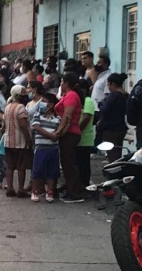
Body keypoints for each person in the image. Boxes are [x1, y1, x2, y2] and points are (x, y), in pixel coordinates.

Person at [54, 72, 84, 203]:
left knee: (69, 163)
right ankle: (71, 188)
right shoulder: (68, 95)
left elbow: (67, 116)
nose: (61, 84)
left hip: (70, 132)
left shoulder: (71, 96)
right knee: (67, 163)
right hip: (68, 132)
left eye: (62, 82)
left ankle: (75, 192)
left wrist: (58, 132)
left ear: (66, 83)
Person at [1, 85, 32, 197]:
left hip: (8, 141)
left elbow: (3, 126)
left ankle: (10, 188)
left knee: (10, 166)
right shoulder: (21, 108)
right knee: (21, 167)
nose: (25, 95)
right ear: (18, 95)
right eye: (23, 93)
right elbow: (23, 125)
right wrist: (28, 138)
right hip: (20, 142)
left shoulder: (7, 107)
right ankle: (21, 190)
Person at [30, 93, 62, 203]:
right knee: (37, 170)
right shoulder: (37, 115)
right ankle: (35, 191)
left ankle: (50, 192)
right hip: (40, 148)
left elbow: (60, 131)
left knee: (52, 172)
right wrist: (51, 136)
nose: (42, 103)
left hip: (53, 149)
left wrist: (55, 135)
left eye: (44, 101)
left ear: (51, 104)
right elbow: (37, 128)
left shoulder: (57, 118)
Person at [98, 73, 128, 162]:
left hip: (111, 128)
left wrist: (100, 104)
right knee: (118, 152)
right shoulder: (126, 95)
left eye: (108, 85)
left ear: (113, 84)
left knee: (112, 154)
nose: (108, 87)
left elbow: (104, 109)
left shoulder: (113, 95)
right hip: (121, 127)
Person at [75, 79, 95, 187]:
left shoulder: (88, 101)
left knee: (84, 165)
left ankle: (85, 186)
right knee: (79, 163)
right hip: (80, 139)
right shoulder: (81, 101)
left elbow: (86, 118)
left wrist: (77, 130)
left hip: (85, 138)